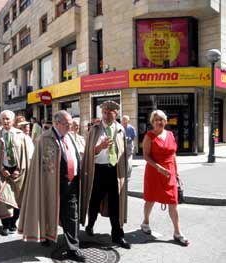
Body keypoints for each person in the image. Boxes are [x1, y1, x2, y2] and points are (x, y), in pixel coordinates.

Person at [19, 110, 86, 262]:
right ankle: (46, 236)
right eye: (67, 124)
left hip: (72, 183)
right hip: (52, 184)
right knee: (49, 212)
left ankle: (73, 248)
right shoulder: (44, 138)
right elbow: (39, 165)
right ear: (57, 123)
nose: (71, 127)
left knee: (72, 216)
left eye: (71, 124)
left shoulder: (70, 137)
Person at [80, 100, 131, 249]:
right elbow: (89, 152)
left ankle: (118, 235)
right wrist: (99, 147)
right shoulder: (95, 129)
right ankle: (90, 225)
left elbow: (123, 152)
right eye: (104, 112)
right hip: (98, 170)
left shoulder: (120, 129)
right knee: (94, 201)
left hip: (115, 171)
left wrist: (125, 170)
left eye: (110, 112)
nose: (106, 115)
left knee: (116, 204)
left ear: (116, 114)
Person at [140, 110, 190, 246]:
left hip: (169, 173)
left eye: (161, 119)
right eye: (156, 120)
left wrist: (177, 173)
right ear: (152, 122)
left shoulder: (170, 134)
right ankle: (145, 222)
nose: (159, 122)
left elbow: (173, 155)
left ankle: (177, 232)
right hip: (154, 172)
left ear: (165, 121)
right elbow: (146, 156)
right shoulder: (149, 136)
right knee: (150, 200)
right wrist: (159, 168)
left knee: (173, 202)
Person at [0, 110, 31, 236]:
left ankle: (13, 222)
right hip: (2, 171)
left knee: (18, 197)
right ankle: (5, 224)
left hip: (17, 170)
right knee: (4, 198)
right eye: (3, 119)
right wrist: (1, 169)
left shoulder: (20, 135)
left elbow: (25, 154)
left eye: (8, 119)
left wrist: (19, 169)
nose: (5, 121)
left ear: (13, 121)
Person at [121, 115, 137, 179]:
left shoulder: (131, 128)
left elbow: (134, 136)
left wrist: (129, 141)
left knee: (128, 159)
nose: (124, 121)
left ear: (128, 121)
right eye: (123, 119)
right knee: (121, 159)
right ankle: (122, 172)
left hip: (128, 145)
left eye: (125, 120)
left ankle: (128, 174)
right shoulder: (120, 127)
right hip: (121, 145)